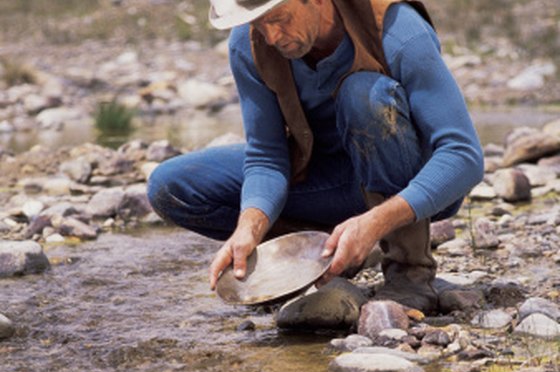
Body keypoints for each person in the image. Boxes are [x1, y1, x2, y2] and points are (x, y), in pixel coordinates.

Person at [147, 0, 484, 314]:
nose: (271, 36)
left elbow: (463, 155)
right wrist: (249, 226)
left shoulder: (398, 29)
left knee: (363, 94)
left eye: (279, 18)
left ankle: (409, 273)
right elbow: (266, 156)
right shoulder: (250, 41)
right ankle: (321, 256)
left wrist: (375, 222)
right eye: (260, 23)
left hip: (406, 184)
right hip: (324, 178)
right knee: (171, 185)